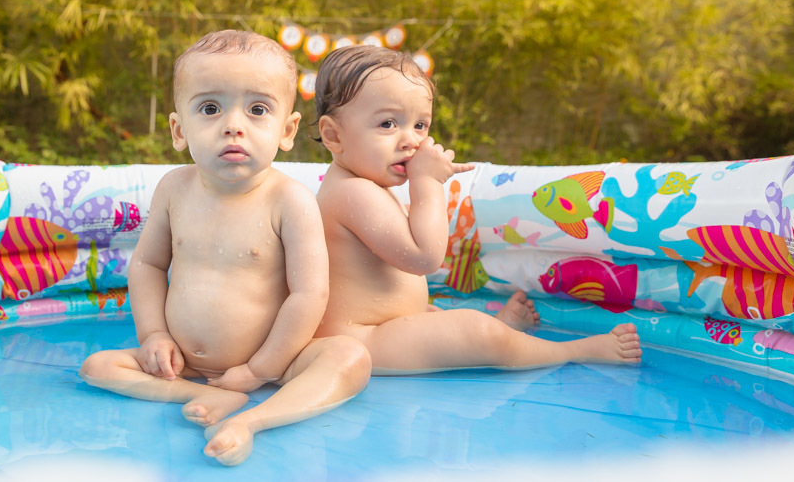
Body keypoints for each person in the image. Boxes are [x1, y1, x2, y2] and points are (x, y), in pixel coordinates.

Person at [79, 30, 372, 466]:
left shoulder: (289, 200)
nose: (233, 125)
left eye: (257, 109)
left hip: (274, 364)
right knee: (97, 367)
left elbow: (310, 294)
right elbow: (147, 264)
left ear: (287, 130)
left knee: (349, 358)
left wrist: (260, 370)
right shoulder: (174, 189)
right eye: (211, 108)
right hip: (184, 363)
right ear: (179, 129)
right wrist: (154, 336)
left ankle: (253, 420)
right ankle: (204, 396)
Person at [312, 44, 642, 374]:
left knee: (444, 322)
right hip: (361, 341)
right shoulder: (352, 192)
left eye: (420, 126)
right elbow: (425, 259)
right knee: (474, 331)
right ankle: (572, 350)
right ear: (333, 136)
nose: (410, 140)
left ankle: (503, 331)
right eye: (387, 124)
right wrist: (427, 183)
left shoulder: (361, 185)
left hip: (388, 326)